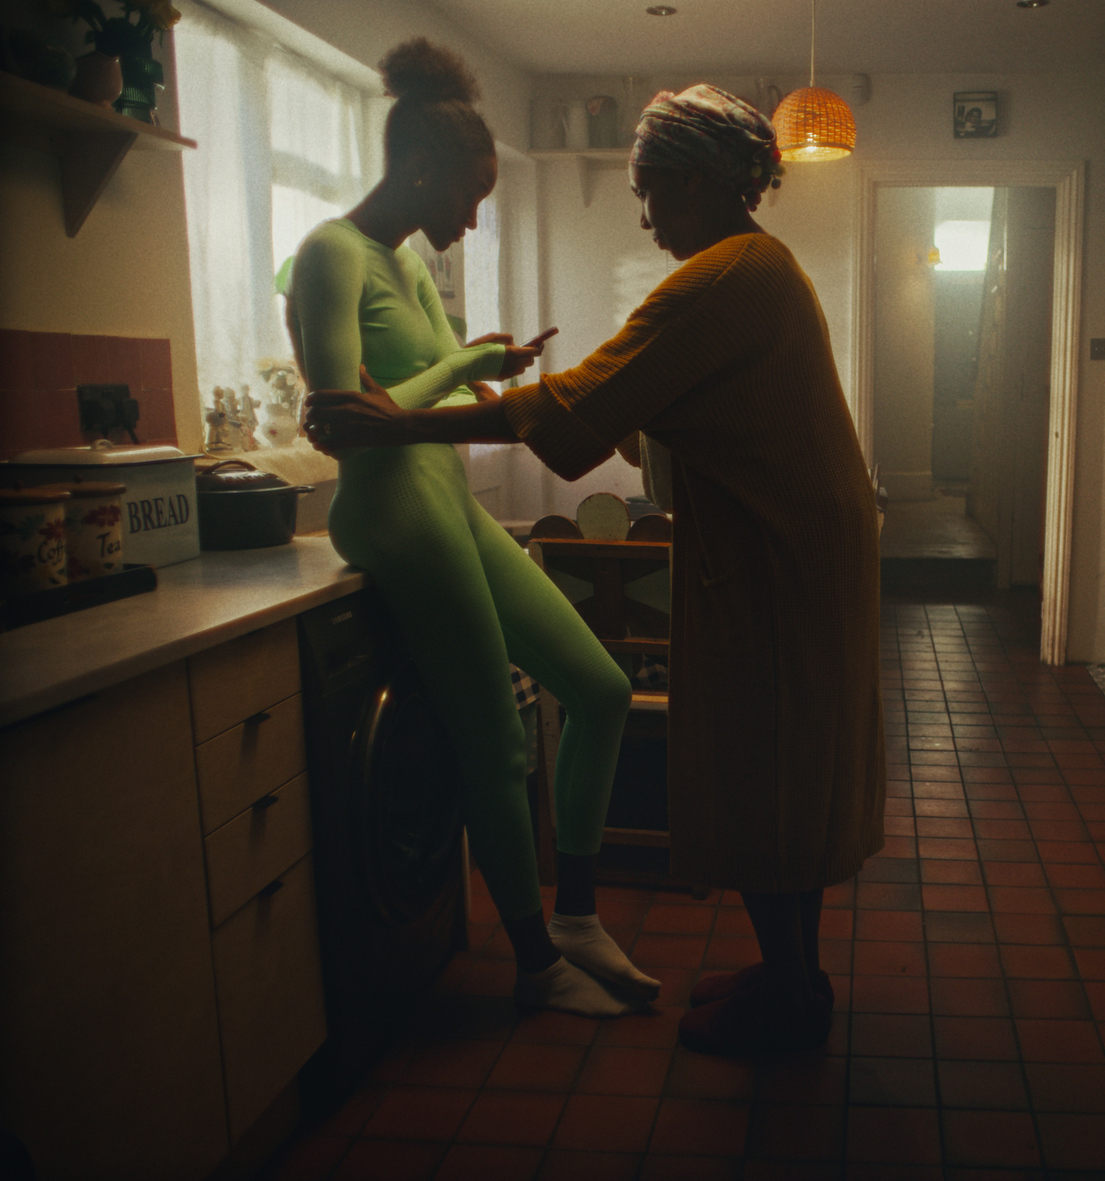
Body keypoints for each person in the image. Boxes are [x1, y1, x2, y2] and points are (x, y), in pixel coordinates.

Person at [305, 84, 887, 1055]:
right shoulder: (757, 266)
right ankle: (791, 970)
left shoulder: (726, 273)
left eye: (654, 190)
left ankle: (792, 990)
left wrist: (403, 421)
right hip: (789, 549)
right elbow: (646, 406)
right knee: (777, 761)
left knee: (767, 765)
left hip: (780, 562)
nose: (647, 214)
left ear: (703, 183)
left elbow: (580, 403)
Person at [287, 38, 658, 1018]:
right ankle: (537, 965)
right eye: (471, 193)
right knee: (496, 747)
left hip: (446, 501)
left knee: (600, 687)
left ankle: (574, 916)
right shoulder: (330, 252)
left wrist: (469, 361)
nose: (475, 214)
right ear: (420, 169)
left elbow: (393, 402)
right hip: (394, 516)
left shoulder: (403, 267)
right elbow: (339, 424)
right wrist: (456, 371)